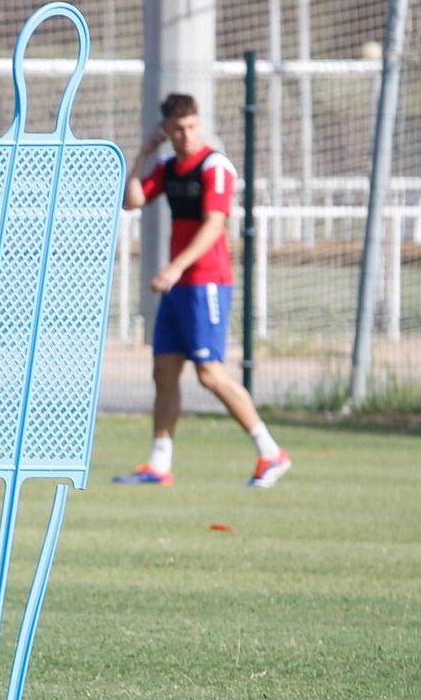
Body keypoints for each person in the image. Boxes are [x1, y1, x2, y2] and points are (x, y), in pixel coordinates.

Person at [113, 93, 291, 490]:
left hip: (205, 283)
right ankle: (159, 465)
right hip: (178, 287)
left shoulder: (215, 167)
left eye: (192, 126)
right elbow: (132, 201)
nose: (186, 134)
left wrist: (176, 266)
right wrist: (143, 152)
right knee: (164, 371)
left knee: (210, 373)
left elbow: (215, 226)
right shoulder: (168, 166)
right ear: (167, 129)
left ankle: (270, 452)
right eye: (178, 128)